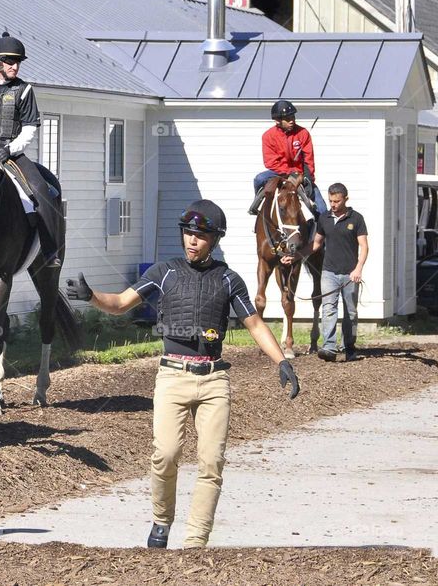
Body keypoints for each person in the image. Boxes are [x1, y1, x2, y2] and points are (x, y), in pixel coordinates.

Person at [65, 200, 300, 550]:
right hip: (172, 375)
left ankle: (195, 541)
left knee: (211, 462)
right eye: (188, 233)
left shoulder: (228, 279)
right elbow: (119, 304)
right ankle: (162, 520)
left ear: (214, 239)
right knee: (166, 454)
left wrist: (282, 361)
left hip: (214, 379)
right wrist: (91, 296)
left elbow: (254, 323)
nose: (192, 240)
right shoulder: (164, 273)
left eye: (200, 235)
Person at [0, 32, 61, 267]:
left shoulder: (24, 91)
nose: (15, 66)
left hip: (12, 154)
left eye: (17, 62)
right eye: (9, 61)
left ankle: (50, 252)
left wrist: (10, 148)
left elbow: (29, 128)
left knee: (42, 191)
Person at [301, 183, 368, 363]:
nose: (333, 204)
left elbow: (364, 246)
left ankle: (350, 347)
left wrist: (358, 268)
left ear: (346, 199)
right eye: (330, 201)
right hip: (329, 272)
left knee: (351, 313)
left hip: (350, 274)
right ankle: (329, 347)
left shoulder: (357, 219)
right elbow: (316, 244)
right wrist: (295, 257)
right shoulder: (324, 218)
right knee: (328, 309)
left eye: (337, 201)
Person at [248, 99, 327, 217]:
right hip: (278, 172)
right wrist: (289, 172)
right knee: (259, 179)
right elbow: (270, 162)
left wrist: (307, 178)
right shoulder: (268, 136)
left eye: (293, 117)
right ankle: (256, 204)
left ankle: (321, 228)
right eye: (288, 119)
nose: (292, 121)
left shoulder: (303, 133)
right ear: (277, 121)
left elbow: (308, 159)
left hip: (300, 173)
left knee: (322, 209)